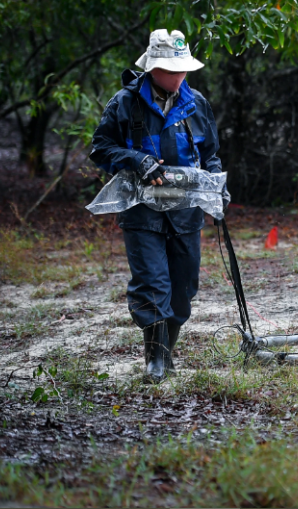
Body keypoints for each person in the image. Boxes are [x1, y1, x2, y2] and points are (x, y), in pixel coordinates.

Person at [91, 29, 222, 382]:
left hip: (186, 213)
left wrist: (216, 187)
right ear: (152, 68)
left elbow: (210, 156)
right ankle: (156, 359)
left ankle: (168, 351)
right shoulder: (124, 102)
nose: (179, 76)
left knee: (183, 288)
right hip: (141, 211)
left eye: (183, 69)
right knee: (152, 283)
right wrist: (136, 159)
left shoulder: (197, 104)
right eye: (171, 69)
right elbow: (100, 149)